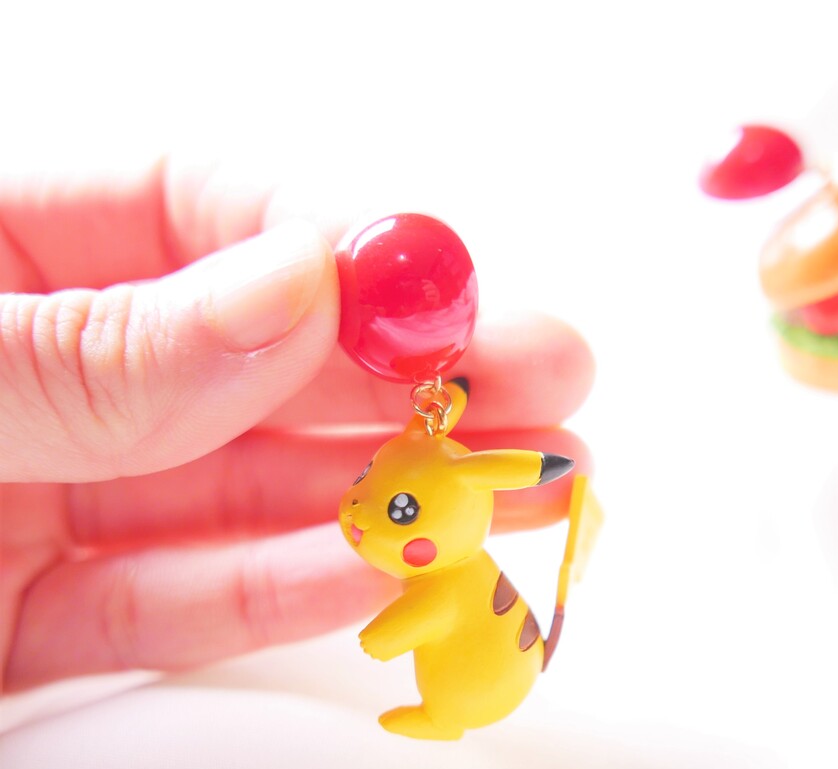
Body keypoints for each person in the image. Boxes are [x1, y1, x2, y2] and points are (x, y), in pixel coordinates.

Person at [0, 158, 594, 693]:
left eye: (402, 509)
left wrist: (386, 637)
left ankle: (447, 713)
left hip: (490, 680)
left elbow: (431, 613)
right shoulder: (428, 432)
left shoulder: (449, 576)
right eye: (366, 478)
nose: (356, 511)